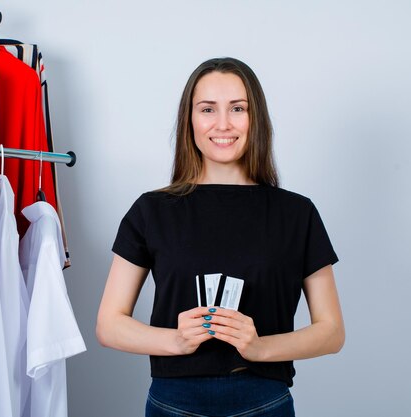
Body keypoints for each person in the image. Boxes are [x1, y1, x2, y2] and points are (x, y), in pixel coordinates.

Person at [96, 57, 345, 417]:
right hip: (172, 403)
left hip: (264, 402)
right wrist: (175, 340)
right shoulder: (151, 210)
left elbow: (332, 331)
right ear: (190, 120)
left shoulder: (297, 213)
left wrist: (259, 347)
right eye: (208, 109)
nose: (223, 124)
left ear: (255, 118)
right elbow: (109, 324)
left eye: (238, 108)